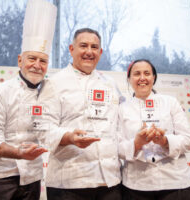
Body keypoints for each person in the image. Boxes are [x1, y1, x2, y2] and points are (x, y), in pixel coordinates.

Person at [0, 0, 57, 199]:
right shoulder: (0, 92)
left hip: (31, 178)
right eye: (32, 59)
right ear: (20, 60)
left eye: (43, 61)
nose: (37, 65)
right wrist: (18, 153)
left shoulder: (49, 93)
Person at [40, 28, 122, 200]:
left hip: (109, 181)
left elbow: (120, 125)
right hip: (70, 182)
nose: (89, 52)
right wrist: (69, 137)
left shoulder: (110, 84)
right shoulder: (54, 83)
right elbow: (42, 128)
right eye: (83, 46)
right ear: (71, 49)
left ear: (100, 52)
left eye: (94, 47)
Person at [118, 59, 190, 200]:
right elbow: (117, 147)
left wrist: (165, 141)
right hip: (136, 186)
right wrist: (136, 143)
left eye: (147, 73)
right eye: (137, 74)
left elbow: (188, 140)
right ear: (129, 79)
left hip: (176, 184)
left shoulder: (170, 102)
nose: (142, 78)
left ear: (153, 77)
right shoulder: (122, 109)